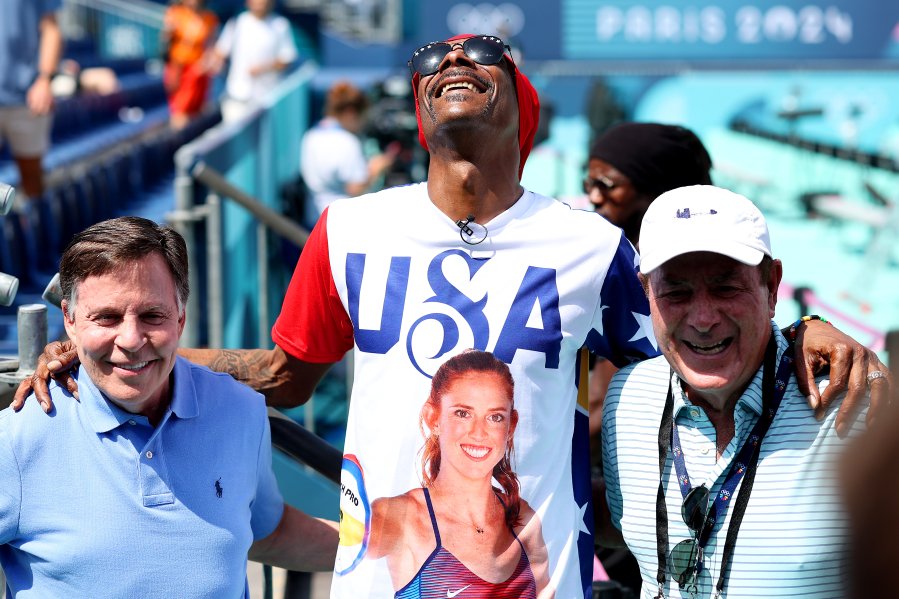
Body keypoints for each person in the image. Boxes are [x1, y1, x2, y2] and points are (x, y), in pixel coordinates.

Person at [14, 34, 890, 599]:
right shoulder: (348, 228)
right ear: (422, 108)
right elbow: (286, 376)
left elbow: (689, 343)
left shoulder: (589, 245)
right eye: (435, 57)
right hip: (379, 580)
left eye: (485, 54)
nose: (455, 59)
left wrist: (802, 331)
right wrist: (101, 356)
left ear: (521, 108)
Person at [0, 217, 338, 596]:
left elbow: (266, 532)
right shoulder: (17, 438)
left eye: (151, 316)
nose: (130, 339)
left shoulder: (241, 412)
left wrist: (397, 542)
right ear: (70, 320)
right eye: (107, 317)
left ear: (180, 318)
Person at [600, 185, 880, 598]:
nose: (703, 318)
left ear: (771, 286)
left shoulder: (856, 406)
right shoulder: (627, 399)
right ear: (646, 292)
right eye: (676, 292)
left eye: (726, 288)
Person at [366, 350, 551, 597]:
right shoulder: (401, 515)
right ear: (433, 418)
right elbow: (335, 545)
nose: (479, 432)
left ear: (511, 426)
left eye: (495, 417)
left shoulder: (522, 518)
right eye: (463, 413)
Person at [300, 80, 397, 228]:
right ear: (351, 113)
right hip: (339, 223)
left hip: (314, 220)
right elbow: (355, 188)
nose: (363, 125)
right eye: (363, 117)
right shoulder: (347, 142)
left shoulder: (311, 135)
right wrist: (376, 169)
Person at [0, 0, 63, 200]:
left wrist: (44, 79)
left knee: (31, 179)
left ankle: (37, 225)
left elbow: (51, 29)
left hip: (25, 97)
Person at [211, 0, 299, 123]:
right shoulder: (237, 23)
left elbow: (287, 58)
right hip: (237, 98)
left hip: (266, 100)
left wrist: (263, 68)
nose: (260, 3)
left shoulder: (280, 25)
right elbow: (220, 51)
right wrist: (214, 62)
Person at [161, 0, 219, 130]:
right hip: (179, 68)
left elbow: (211, 45)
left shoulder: (209, 18)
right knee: (180, 112)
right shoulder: (176, 13)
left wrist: (208, 62)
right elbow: (166, 42)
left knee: (198, 110)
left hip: (198, 69)